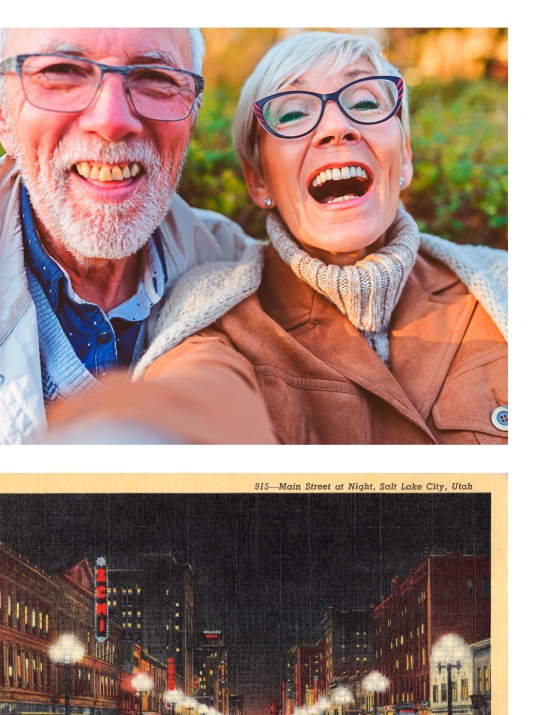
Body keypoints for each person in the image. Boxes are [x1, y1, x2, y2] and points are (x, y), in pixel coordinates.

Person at [129, 30, 507, 445]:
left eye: (365, 103)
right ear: (258, 181)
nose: (337, 127)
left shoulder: (504, 286)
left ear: (406, 158)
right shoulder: (214, 317)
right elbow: (193, 404)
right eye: (292, 114)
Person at [0, 27, 275, 444]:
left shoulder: (236, 267)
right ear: (1, 111)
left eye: (155, 78)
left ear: (192, 113)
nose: (111, 121)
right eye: (62, 72)